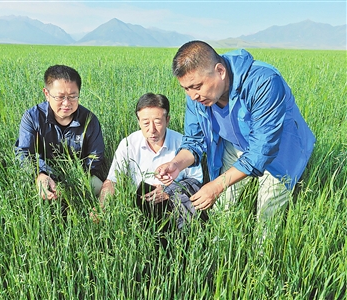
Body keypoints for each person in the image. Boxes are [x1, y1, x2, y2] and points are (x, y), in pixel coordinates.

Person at [155, 41, 316, 226]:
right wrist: (176, 164)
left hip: (280, 152)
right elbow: (194, 140)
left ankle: (261, 253)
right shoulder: (196, 96)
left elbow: (261, 150)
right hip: (236, 144)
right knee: (223, 208)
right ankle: (220, 247)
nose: (193, 96)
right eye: (186, 88)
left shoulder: (264, 82)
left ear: (220, 71)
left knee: (267, 216)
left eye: (197, 86)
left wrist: (217, 185)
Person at [98, 93, 205, 229]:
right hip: (138, 207)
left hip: (175, 205)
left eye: (158, 122)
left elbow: (196, 182)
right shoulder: (128, 144)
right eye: (146, 123)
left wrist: (168, 191)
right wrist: (100, 209)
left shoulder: (183, 144)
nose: (152, 130)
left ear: (168, 120)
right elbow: (112, 181)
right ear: (138, 122)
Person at [15, 64, 105, 200]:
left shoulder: (89, 120)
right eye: (60, 97)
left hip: (81, 175)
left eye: (73, 96)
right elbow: (23, 152)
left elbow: (95, 156)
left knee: (105, 192)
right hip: (44, 174)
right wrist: (40, 174)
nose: (66, 103)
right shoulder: (32, 117)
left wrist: (73, 178)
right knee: (30, 197)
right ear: (47, 94)